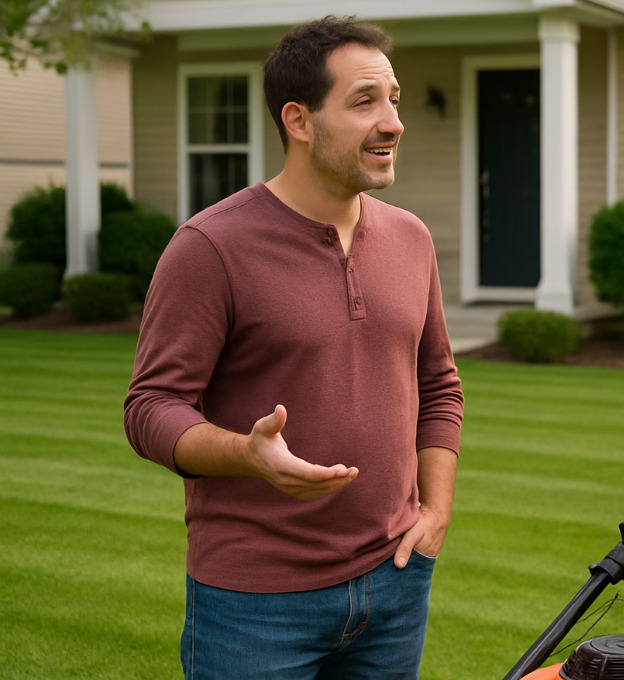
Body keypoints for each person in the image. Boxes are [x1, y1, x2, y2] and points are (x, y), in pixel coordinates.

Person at [124, 16, 464, 680]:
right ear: (298, 120)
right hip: (255, 604)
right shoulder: (211, 248)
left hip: (395, 583)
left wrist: (436, 510)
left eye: (393, 98)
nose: (392, 120)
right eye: (365, 102)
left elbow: (440, 386)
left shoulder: (411, 239)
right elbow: (152, 406)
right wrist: (244, 455)